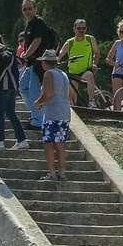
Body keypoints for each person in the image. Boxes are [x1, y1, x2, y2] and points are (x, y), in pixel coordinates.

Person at [32, 49, 76, 181]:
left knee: (49, 144)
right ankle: (62, 172)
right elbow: (70, 94)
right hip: (64, 112)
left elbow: (48, 93)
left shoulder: (48, 74)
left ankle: (51, 172)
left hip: (52, 113)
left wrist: (38, 102)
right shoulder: (63, 74)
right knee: (60, 144)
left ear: (45, 63)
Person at [0, 32, 29, 150]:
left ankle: (0, 141)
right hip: (10, 87)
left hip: (6, 86)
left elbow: (5, 64)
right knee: (10, 113)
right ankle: (22, 140)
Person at [57, 19, 101, 105]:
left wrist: (94, 64)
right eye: (79, 28)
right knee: (72, 98)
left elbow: (97, 53)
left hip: (86, 70)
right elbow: (60, 55)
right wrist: (54, 62)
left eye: (83, 28)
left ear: (86, 29)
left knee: (89, 75)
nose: (81, 30)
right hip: (73, 73)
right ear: (74, 29)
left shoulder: (90, 39)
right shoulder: (69, 42)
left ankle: (91, 101)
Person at [17, 30, 45, 128]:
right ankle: (37, 115)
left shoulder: (38, 33)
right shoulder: (23, 47)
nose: (20, 43)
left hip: (36, 65)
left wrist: (26, 55)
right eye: (19, 41)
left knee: (34, 92)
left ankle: (38, 120)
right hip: (31, 65)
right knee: (22, 87)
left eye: (22, 40)